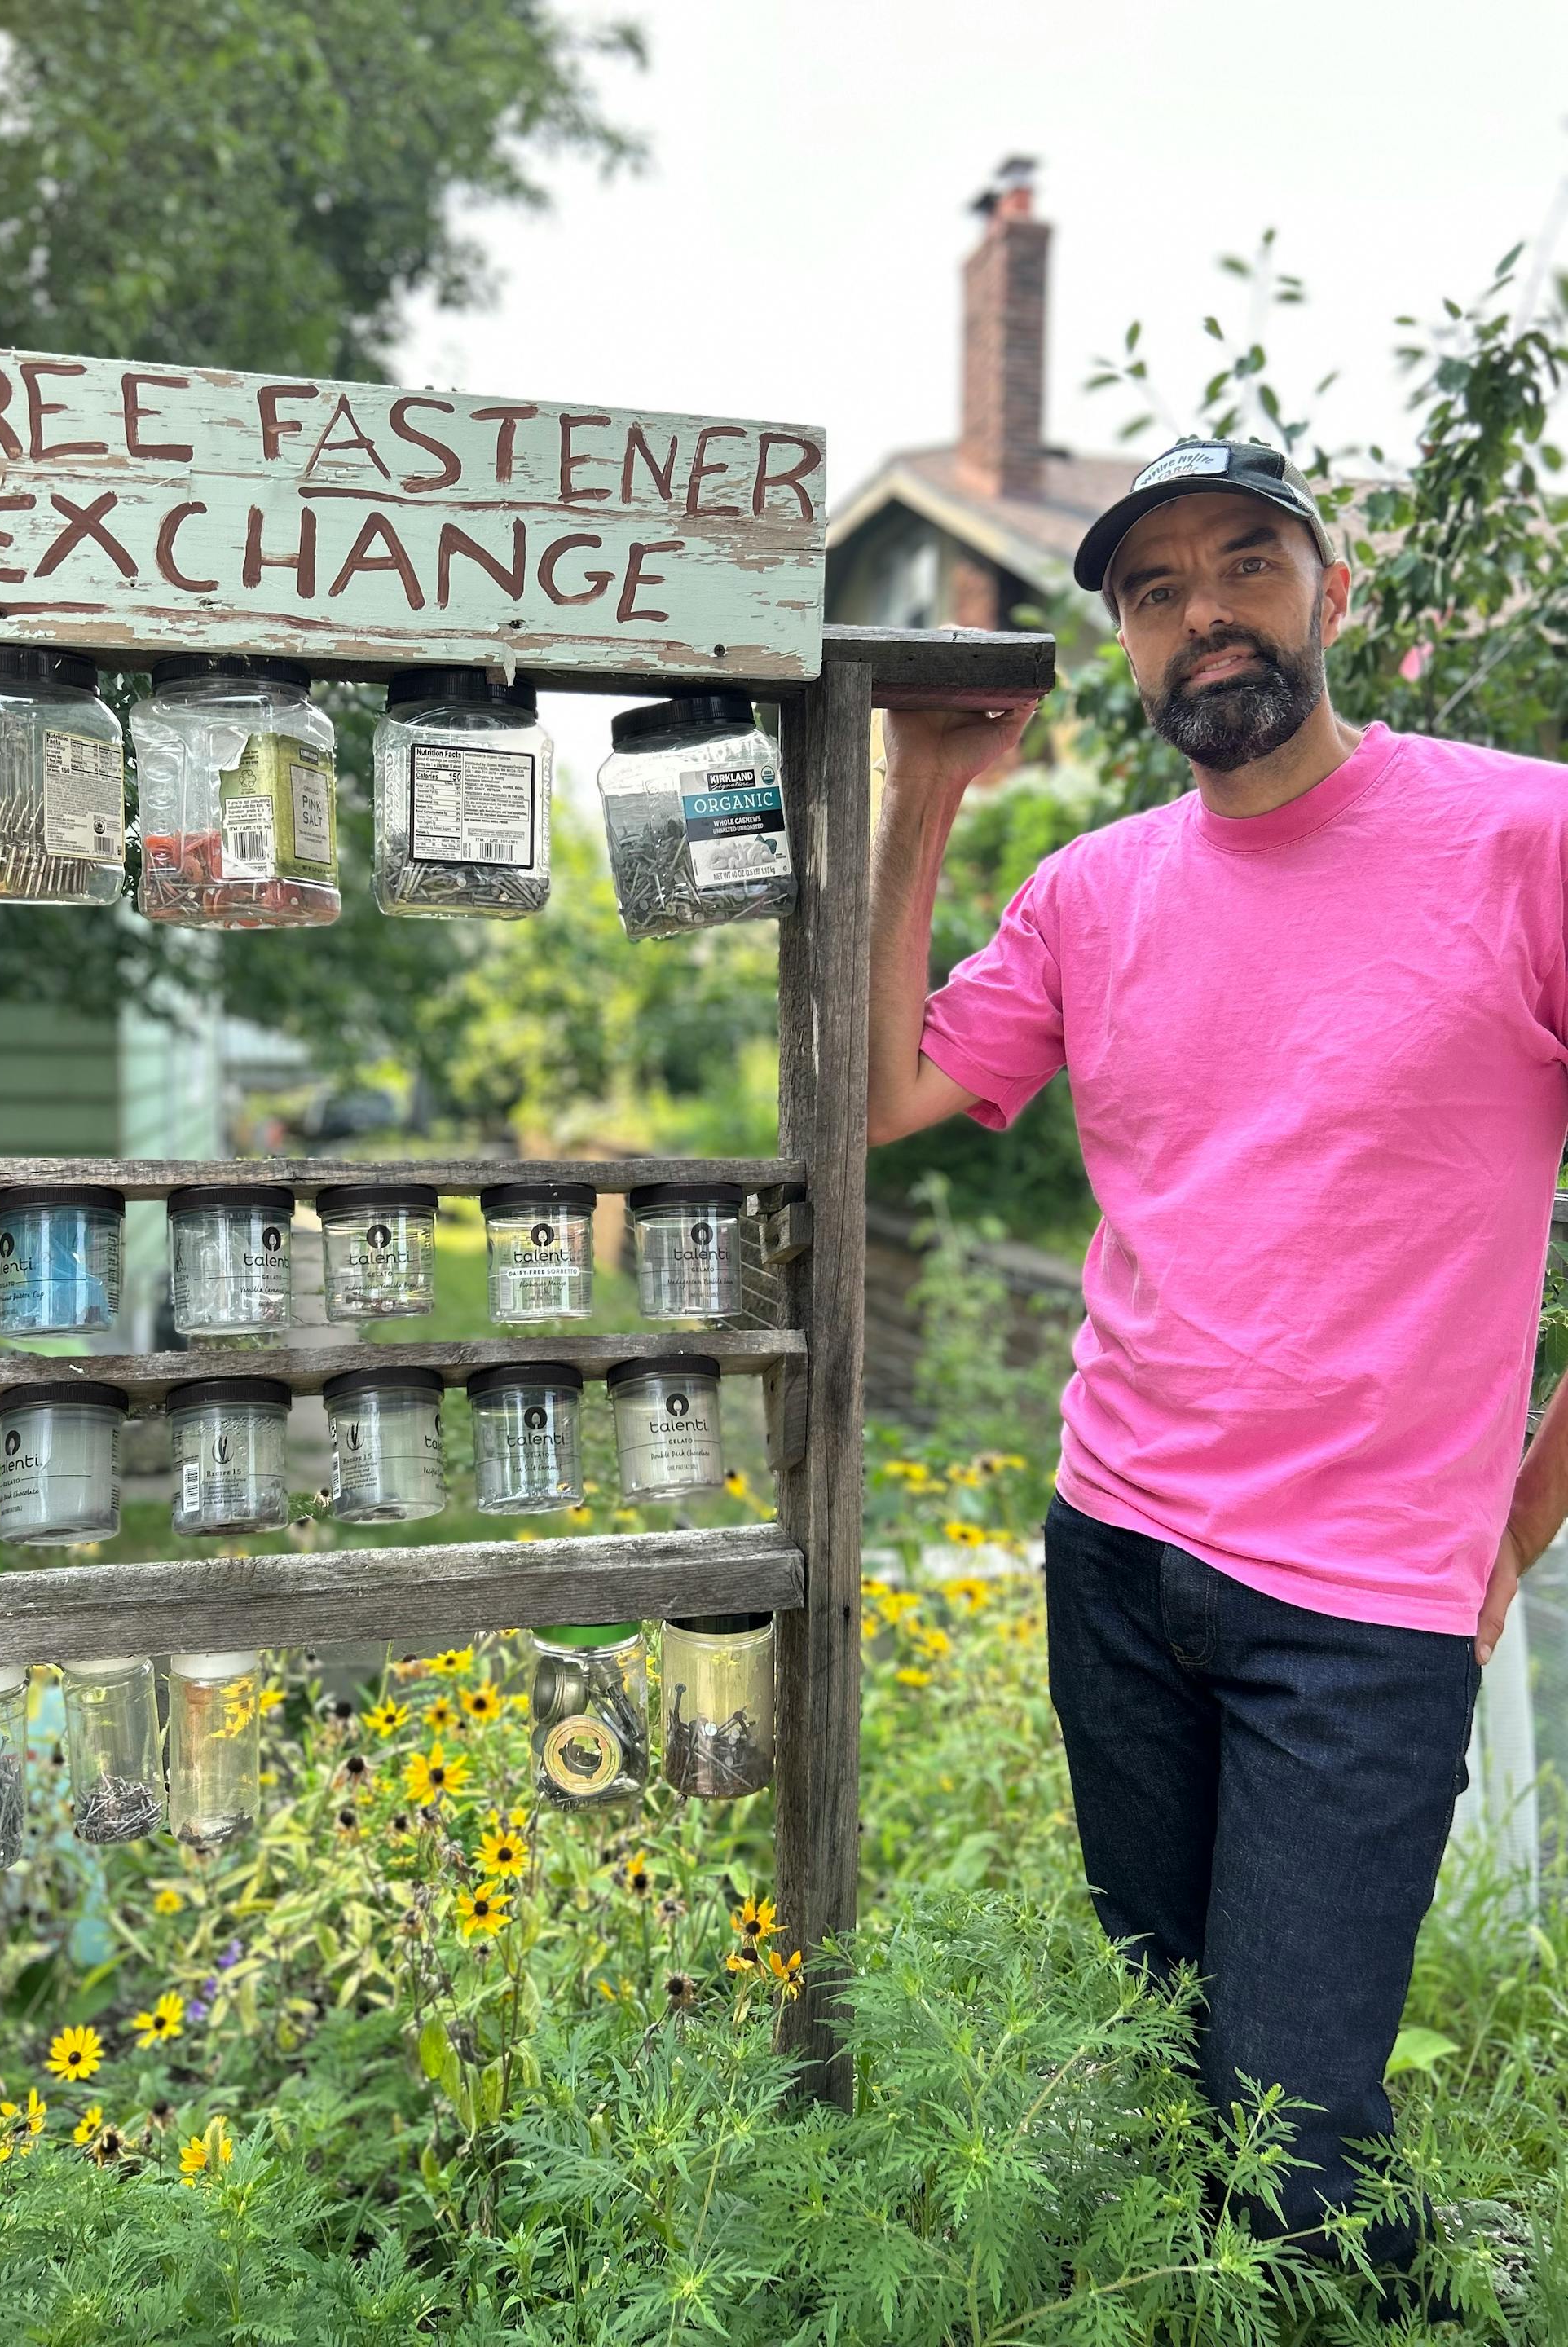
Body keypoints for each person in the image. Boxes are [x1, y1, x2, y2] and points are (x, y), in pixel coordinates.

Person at [867, 438, 1568, 2284]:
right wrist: (922, 792)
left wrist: (1517, 1525)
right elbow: (878, 1097)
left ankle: (1393, 2298)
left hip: (1362, 1609)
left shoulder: (1530, 837)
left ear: (1331, 595)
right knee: (1177, 2059)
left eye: (1244, 566)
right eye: (1155, 591)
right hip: (1116, 1554)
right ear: (1126, 644)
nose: (1204, 616)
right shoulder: (1095, 893)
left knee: (1297, 2132)